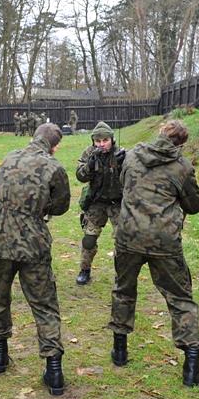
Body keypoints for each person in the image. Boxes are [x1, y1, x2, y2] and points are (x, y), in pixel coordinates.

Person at [110, 119, 199, 386]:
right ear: (181, 143)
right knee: (180, 297)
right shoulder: (182, 167)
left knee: (123, 288)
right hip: (164, 240)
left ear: (160, 134)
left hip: (129, 235)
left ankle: (119, 349)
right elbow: (194, 205)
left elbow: (123, 185)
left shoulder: (131, 157)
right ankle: (191, 364)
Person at [0, 123, 71, 395]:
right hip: (33, 243)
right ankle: (53, 369)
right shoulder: (53, 167)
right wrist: (40, 209)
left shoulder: (9, 158)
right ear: (54, 145)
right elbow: (62, 205)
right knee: (45, 304)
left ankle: (0, 355)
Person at [75, 121, 125, 285]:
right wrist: (89, 166)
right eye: (98, 141)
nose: (102, 144)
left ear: (112, 139)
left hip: (117, 202)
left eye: (105, 140)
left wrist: (123, 164)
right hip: (97, 202)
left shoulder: (121, 153)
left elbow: (135, 177)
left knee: (122, 240)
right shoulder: (89, 153)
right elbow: (80, 176)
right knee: (89, 239)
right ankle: (85, 270)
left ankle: (122, 274)